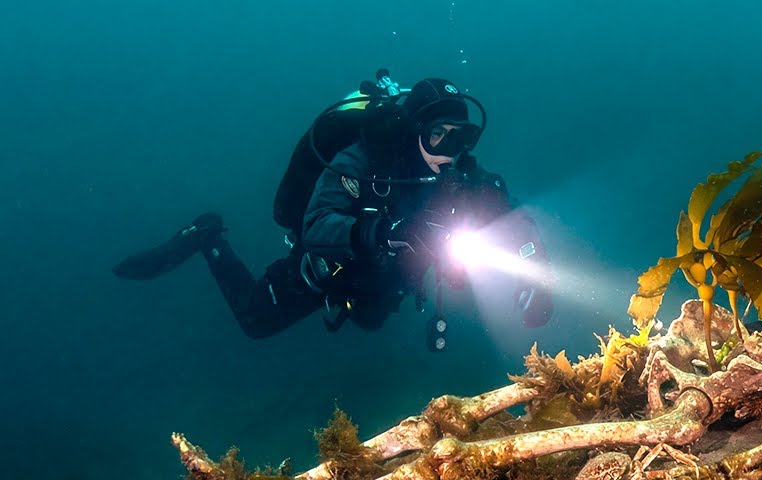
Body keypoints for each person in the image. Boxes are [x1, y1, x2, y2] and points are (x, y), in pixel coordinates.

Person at [113, 72, 553, 346]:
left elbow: (517, 227)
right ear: (414, 130)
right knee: (256, 320)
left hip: (385, 283)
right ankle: (208, 239)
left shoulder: (461, 179)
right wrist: (379, 232)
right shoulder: (362, 163)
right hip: (331, 267)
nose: (453, 152)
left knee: (371, 317)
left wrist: (536, 278)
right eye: (441, 135)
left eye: (464, 138)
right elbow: (317, 223)